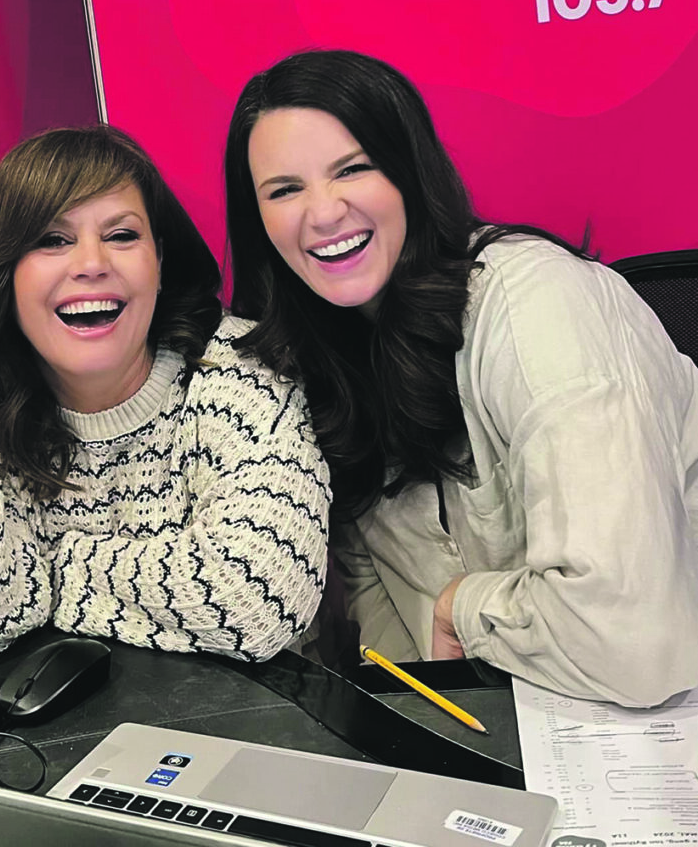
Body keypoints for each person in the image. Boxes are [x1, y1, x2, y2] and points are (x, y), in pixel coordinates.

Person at [223, 49, 698, 706]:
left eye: (353, 169)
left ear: (410, 174)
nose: (322, 212)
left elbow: (630, 640)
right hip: (516, 732)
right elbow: (384, 625)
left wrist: (460, 609)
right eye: (283, 190)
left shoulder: (538, 303)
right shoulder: (317, 359)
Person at [0, 125, 330, 659]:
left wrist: (48, 569)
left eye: (121, 235)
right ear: (6, 270)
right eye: (53, 240)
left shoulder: (239, 369)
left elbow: (257, 605)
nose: (91, 264)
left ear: (159, 260)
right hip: (57, 739)